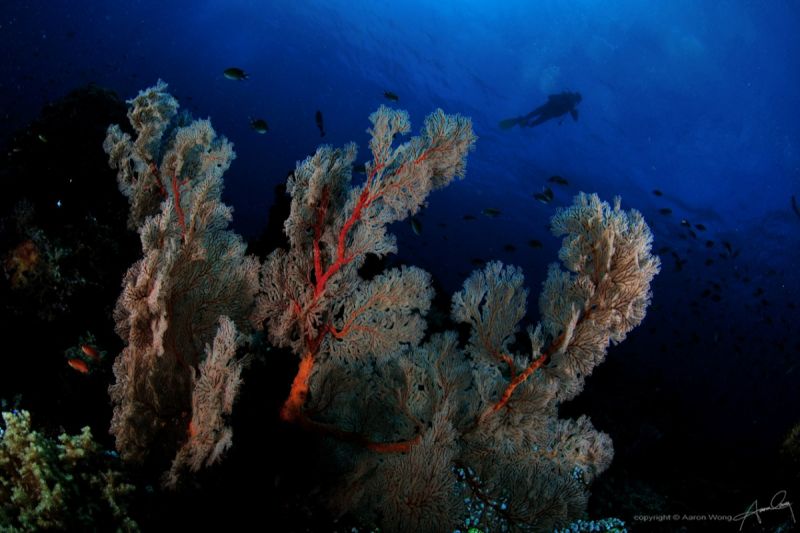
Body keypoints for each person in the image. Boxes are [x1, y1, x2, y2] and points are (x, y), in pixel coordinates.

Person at [499, 91, 582, 129]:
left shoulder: (569, 102)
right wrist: (571, 108)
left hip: (547, 110)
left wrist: (572, 109)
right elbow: (575, 119)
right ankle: (522, 121)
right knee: (532, 123)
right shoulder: (569, 102)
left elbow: (550, 96)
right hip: (548, 112)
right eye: (577, 100)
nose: (575, 101)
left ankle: (520, 120)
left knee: (531, 120)